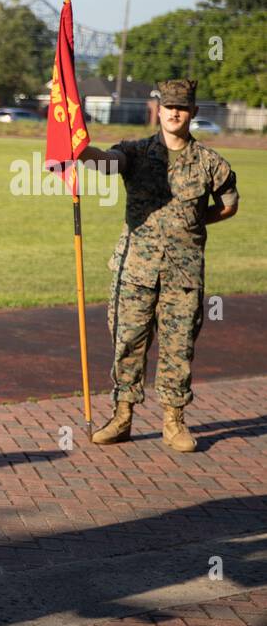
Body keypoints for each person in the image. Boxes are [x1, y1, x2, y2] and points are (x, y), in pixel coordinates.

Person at [78, 79, 239, 452]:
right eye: (168, 106)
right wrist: (82, 151)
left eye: (182, 107)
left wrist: (194, 223)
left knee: (178, 347)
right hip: (134, 269)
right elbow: (107, 164)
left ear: (193, 112)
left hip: (183, 274)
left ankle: (174, 421)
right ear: (159, 110)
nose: (174, 112)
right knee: (127, 342)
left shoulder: (210, 163)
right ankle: (121, 417)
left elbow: (229, 205)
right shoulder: (135, 152)